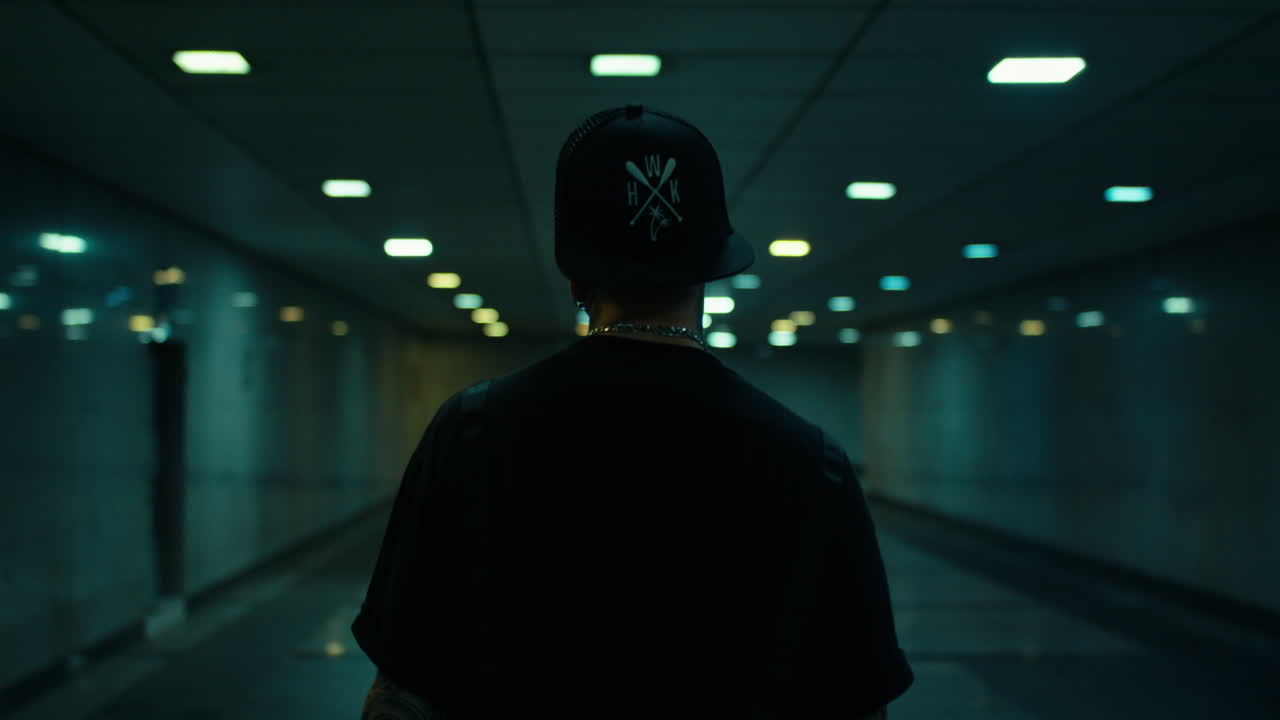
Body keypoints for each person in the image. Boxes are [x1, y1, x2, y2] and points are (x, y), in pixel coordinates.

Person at [352, 105, 913, 719]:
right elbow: (856, 703)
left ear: (573, 277)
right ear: (714, 267)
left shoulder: (473, 431)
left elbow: (403, 694)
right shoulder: (813, 463)